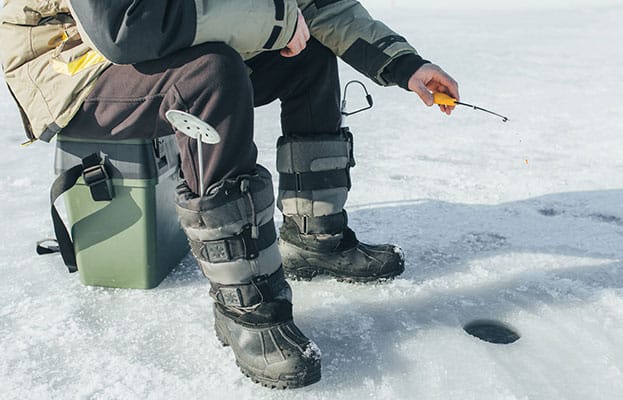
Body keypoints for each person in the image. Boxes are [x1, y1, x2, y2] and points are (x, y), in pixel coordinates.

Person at [0, 0, 459, 389]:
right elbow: (123, 27)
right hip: (72, 61)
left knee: (308, 53)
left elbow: (316, 6)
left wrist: (405, 65)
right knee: (209, 75)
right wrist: (275, 22)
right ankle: (244, 305)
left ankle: (313, 237)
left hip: (176, 37)